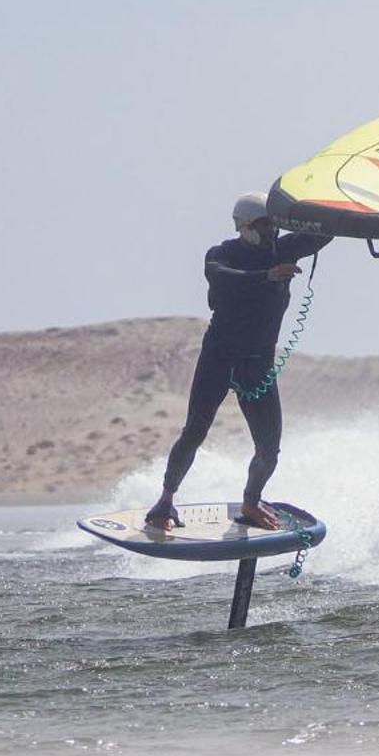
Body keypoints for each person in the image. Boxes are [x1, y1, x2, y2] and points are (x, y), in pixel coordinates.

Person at [145, 192, 329, 534]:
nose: (271, 232)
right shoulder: (221, 254)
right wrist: (268, 276)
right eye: (263, 225)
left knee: (269, 449)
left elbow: (321, 234)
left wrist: (346, 209)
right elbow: (221, 276)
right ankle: (166, 499)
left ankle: (251, 500)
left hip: (257, 365)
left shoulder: (281, 249)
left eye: (274, 225)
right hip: (219, 358)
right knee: (194, 432)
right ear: (244, 227)